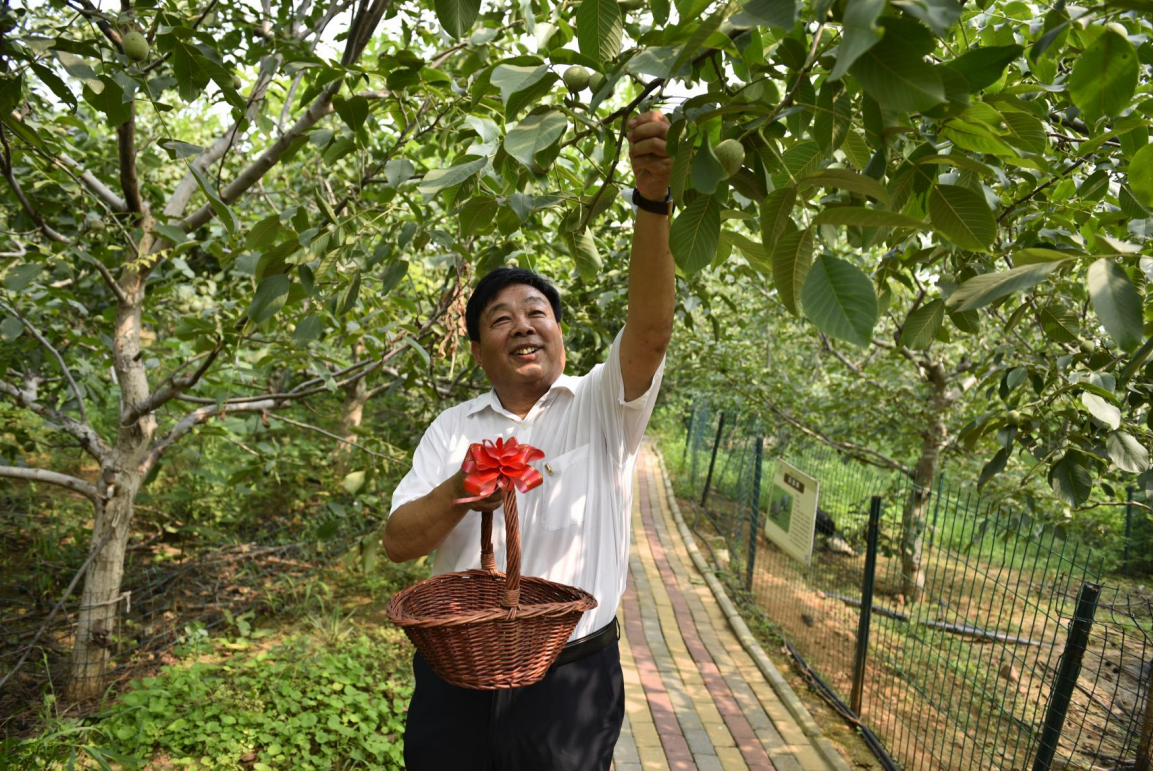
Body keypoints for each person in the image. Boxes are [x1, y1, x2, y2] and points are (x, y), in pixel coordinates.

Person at [383, 109, 674, 771]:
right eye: (500, 318)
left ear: (559, 334)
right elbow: (398, 542)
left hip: (569, 682)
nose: (522, 325)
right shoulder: (452, 427)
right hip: (454, 674)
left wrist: (652, 199)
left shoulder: (601, 403)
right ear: (478, 349)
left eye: (537, 312)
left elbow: (651, 329)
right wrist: (459, 490)